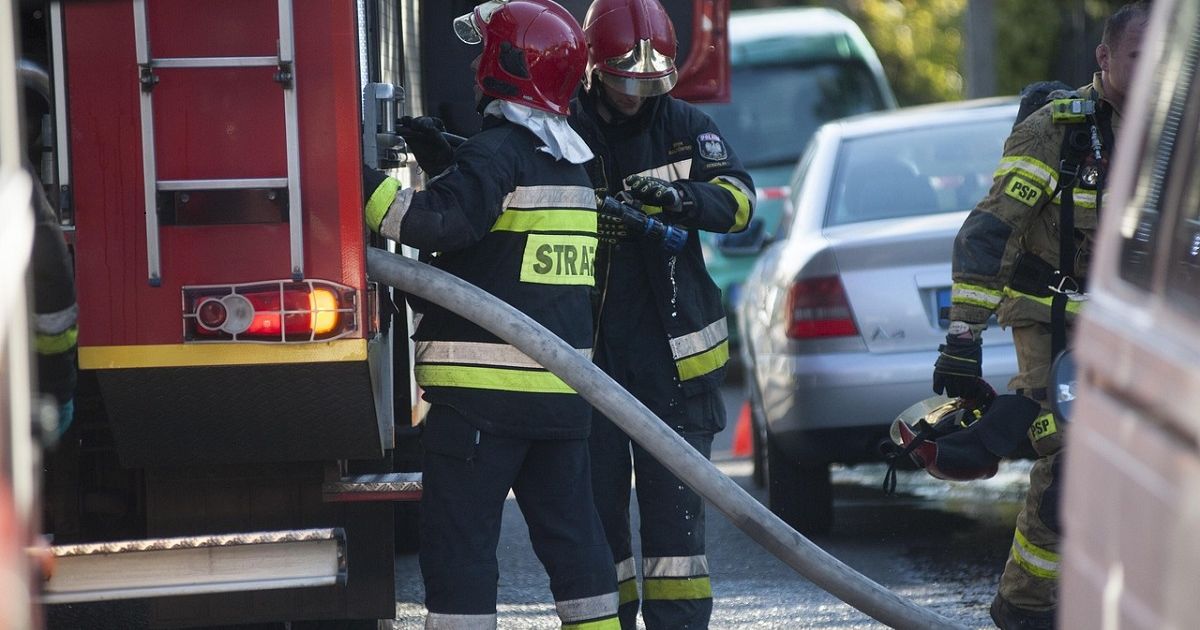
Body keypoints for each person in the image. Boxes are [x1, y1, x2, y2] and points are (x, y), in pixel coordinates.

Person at [361, 1, 619, 627]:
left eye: (487, 53)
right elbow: (507, 245)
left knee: (461, 552)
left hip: (482, 403)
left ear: (509, 67)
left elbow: (437, 221)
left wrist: (353, 177)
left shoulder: (498, 154)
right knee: (576, 545)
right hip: (560, 401)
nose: (477, 65)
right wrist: (451, 160)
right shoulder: (573, 165)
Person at [930, 3, 1149, 628]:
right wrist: (963, 339)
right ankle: (1024, 608)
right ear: (1103, 59)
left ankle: (1008, 426)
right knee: (1071, 454)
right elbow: (989, 235)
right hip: (1054, 317)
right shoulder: (1056, 129)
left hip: (1145, 325)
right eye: (1139, 56)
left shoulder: (1179, 133)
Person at [567, 0, 755, 627]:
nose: (635, 94)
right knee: (598, 530)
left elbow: (739, 201)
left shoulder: (684, 126)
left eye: (649, 81)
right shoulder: (561, 128)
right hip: (587, 364)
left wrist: (682, 198)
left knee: (677, 537)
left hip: (674, 369)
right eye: (624, 78)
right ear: (595, 66)